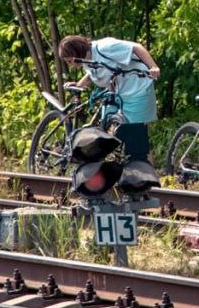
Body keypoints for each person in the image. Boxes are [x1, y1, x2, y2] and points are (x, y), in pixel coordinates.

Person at [58, 34, 161, 192]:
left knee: (135, 133)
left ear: (77, 52)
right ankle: (109, 172)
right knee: (107, 129)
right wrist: (80, 84)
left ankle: (141, 177)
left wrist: (153, 67)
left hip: (138, 89)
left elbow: (136, 47)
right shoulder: (87, 59)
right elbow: (97, 69)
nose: (70, 65)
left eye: (69, 61)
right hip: (119, 92)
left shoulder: (105, 47)